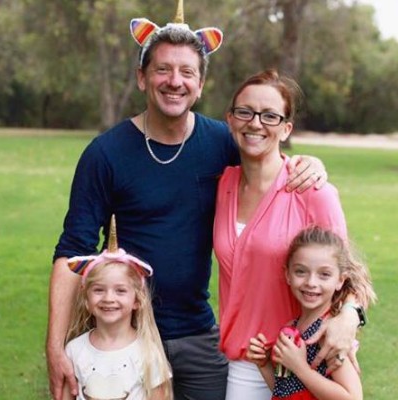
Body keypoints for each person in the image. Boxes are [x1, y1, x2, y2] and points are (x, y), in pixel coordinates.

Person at [46, 3, 328, 400]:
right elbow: (73, 251)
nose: (174, 81)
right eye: (162, 69)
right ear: (142, 77)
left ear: (200, 84)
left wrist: (310, 164)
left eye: (187, 72)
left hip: (198, 334)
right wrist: (56, 347)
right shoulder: (105, 154)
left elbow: (270, 160)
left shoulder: (222, 143)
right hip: (125, 335)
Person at [213, 69, 366, 400]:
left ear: (286, 128)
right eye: (245, 112)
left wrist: (349, 317)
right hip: (247, 361)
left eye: (270, 115)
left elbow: (349, 274)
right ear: (230, 119)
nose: (256, 123)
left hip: (305, 357)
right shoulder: (224, 184)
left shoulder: (312, 190)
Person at [247, 226, 376, 400]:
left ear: (340, 280)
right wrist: (264, 365)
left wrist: (300, 368)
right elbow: (285, 391)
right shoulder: (290, 328)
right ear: (288, 275)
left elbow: (353, 397)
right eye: (301, 271)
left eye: (324, 274)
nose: (311, 282)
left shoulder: (329, 333)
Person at [62, 216, 172, 400]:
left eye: (120, 291)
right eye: (99, 290)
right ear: (86, 299)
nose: (109, 298)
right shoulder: (74, 350)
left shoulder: (147, 352)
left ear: (137, 300)